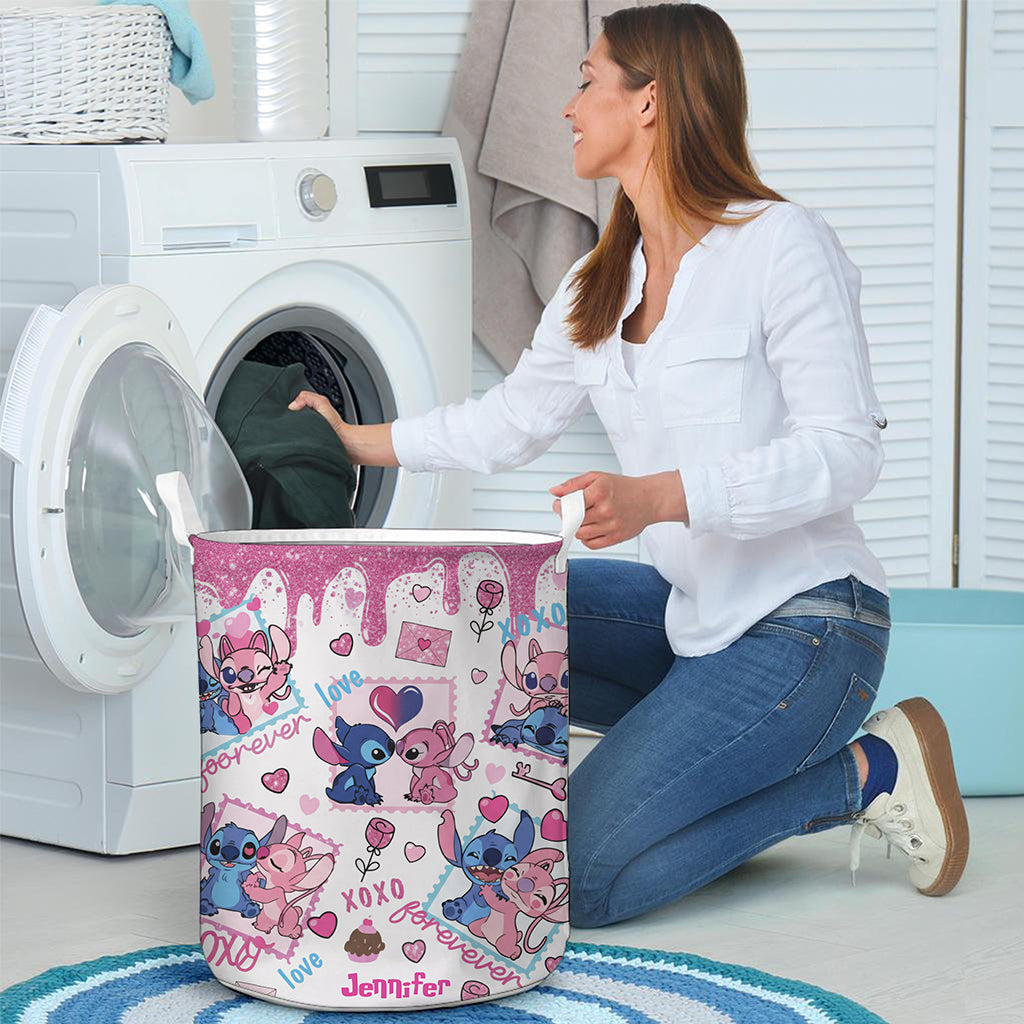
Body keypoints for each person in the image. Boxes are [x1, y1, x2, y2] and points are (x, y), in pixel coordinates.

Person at [288, 2, 969, 928]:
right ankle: (613, 779)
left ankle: (864, 774)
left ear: (649, 102)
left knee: (570, 879)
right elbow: (509, 423)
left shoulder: (780, 243)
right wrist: (358, 438)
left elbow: (846, 454)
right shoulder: (599, 282)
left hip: (810, 626)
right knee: (481, 614)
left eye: (586, 82)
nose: (568, 107)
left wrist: (661, 498)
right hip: (694, 616)